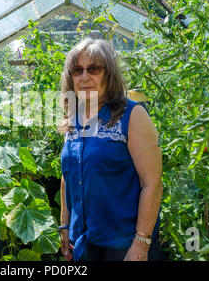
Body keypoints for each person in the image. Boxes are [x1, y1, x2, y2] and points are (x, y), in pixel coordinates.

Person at [59, 38, 163, 261]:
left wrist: (141, 244)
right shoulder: (73, 119)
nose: (84, 77)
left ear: (109, 73)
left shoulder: (132, 115)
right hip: (84, 243)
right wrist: (65, 226)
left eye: (93, 69)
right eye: (77, 70)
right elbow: (67, 175)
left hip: (123, 247)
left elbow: (152, 184)